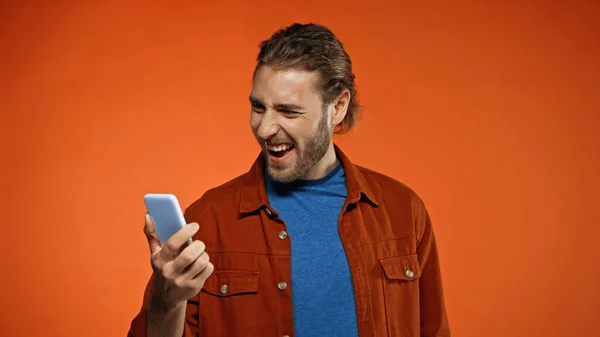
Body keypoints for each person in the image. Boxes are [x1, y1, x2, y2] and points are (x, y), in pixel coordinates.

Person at [127, 22, 450, 337]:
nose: (265, 128)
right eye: (258, 107)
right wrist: (166, 301)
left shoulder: (403, 211)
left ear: (337, 107)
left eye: (288, 111)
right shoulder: (208, 218)